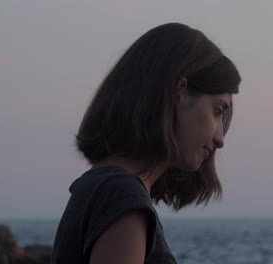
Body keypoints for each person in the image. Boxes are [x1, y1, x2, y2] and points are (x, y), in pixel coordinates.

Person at [51, 22, 241, 264]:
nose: (220, 138)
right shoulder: (120, 193)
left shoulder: (102, 187)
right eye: (218, 111)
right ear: (179, 92)